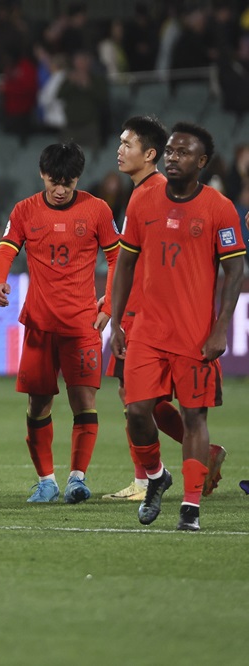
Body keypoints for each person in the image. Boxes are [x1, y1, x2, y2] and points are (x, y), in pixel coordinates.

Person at [110, 122, 246, 531]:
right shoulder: (142, 202)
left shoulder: (219, 208)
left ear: (201, 162)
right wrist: (116, 322)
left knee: (193, 418)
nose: (173, 157)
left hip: (194, 336)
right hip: (147, 331)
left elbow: (235, 271)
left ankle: (190, 508)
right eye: (170, 151)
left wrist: (221, 327)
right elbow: (125, 266)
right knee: (136, 411)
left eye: (183, 153)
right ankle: (156, 478)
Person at [0, 142, 120, 503]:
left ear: (78, 177)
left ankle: (77, 478)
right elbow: (4, 250)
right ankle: (46, 481)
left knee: (84, 401)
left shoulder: (96, 210)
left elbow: (117, 258)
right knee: (38, 404)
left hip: (83, 325)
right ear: (42, 175)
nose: (61, 189)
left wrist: (109, 304)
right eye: (54, 181)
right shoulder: (24, 210)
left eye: (68, 181)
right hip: (39, 324)